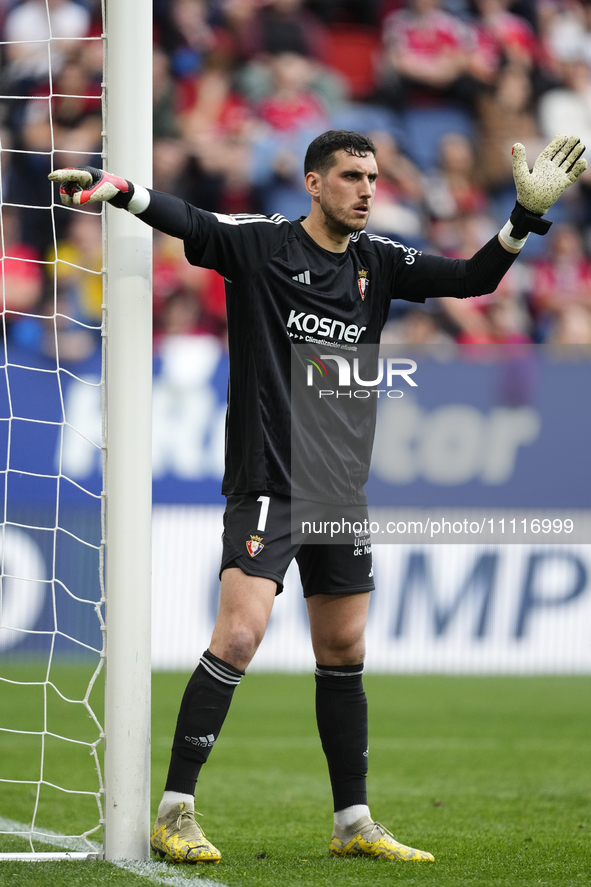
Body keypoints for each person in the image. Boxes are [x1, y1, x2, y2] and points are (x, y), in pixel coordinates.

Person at [49, 129, 586, 865]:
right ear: (312, 182)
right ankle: (175, 809)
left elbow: (470, 279)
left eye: (372, 176)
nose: (366, 188)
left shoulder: (380, 260)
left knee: (344, 646)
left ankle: (352, 820)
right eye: (349, 176)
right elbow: (192, 221)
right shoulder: (264, 245)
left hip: (339, 488)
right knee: (238, 636)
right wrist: (119, 190)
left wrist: (522, 220)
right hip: (267, 479)